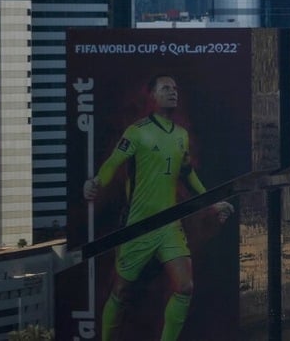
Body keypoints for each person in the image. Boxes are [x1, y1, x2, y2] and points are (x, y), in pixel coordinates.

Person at [83, 74, 233, 341]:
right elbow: (112, 163)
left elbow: (188, 174)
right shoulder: (137, 131)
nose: (173, 92)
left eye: (175, 88)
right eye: (166, 88)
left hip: (169, 226)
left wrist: (213, 202)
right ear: (152, 96)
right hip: (138, 226)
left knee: (185, 287)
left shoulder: (181, 136)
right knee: (120, 291)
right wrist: (95, 181)